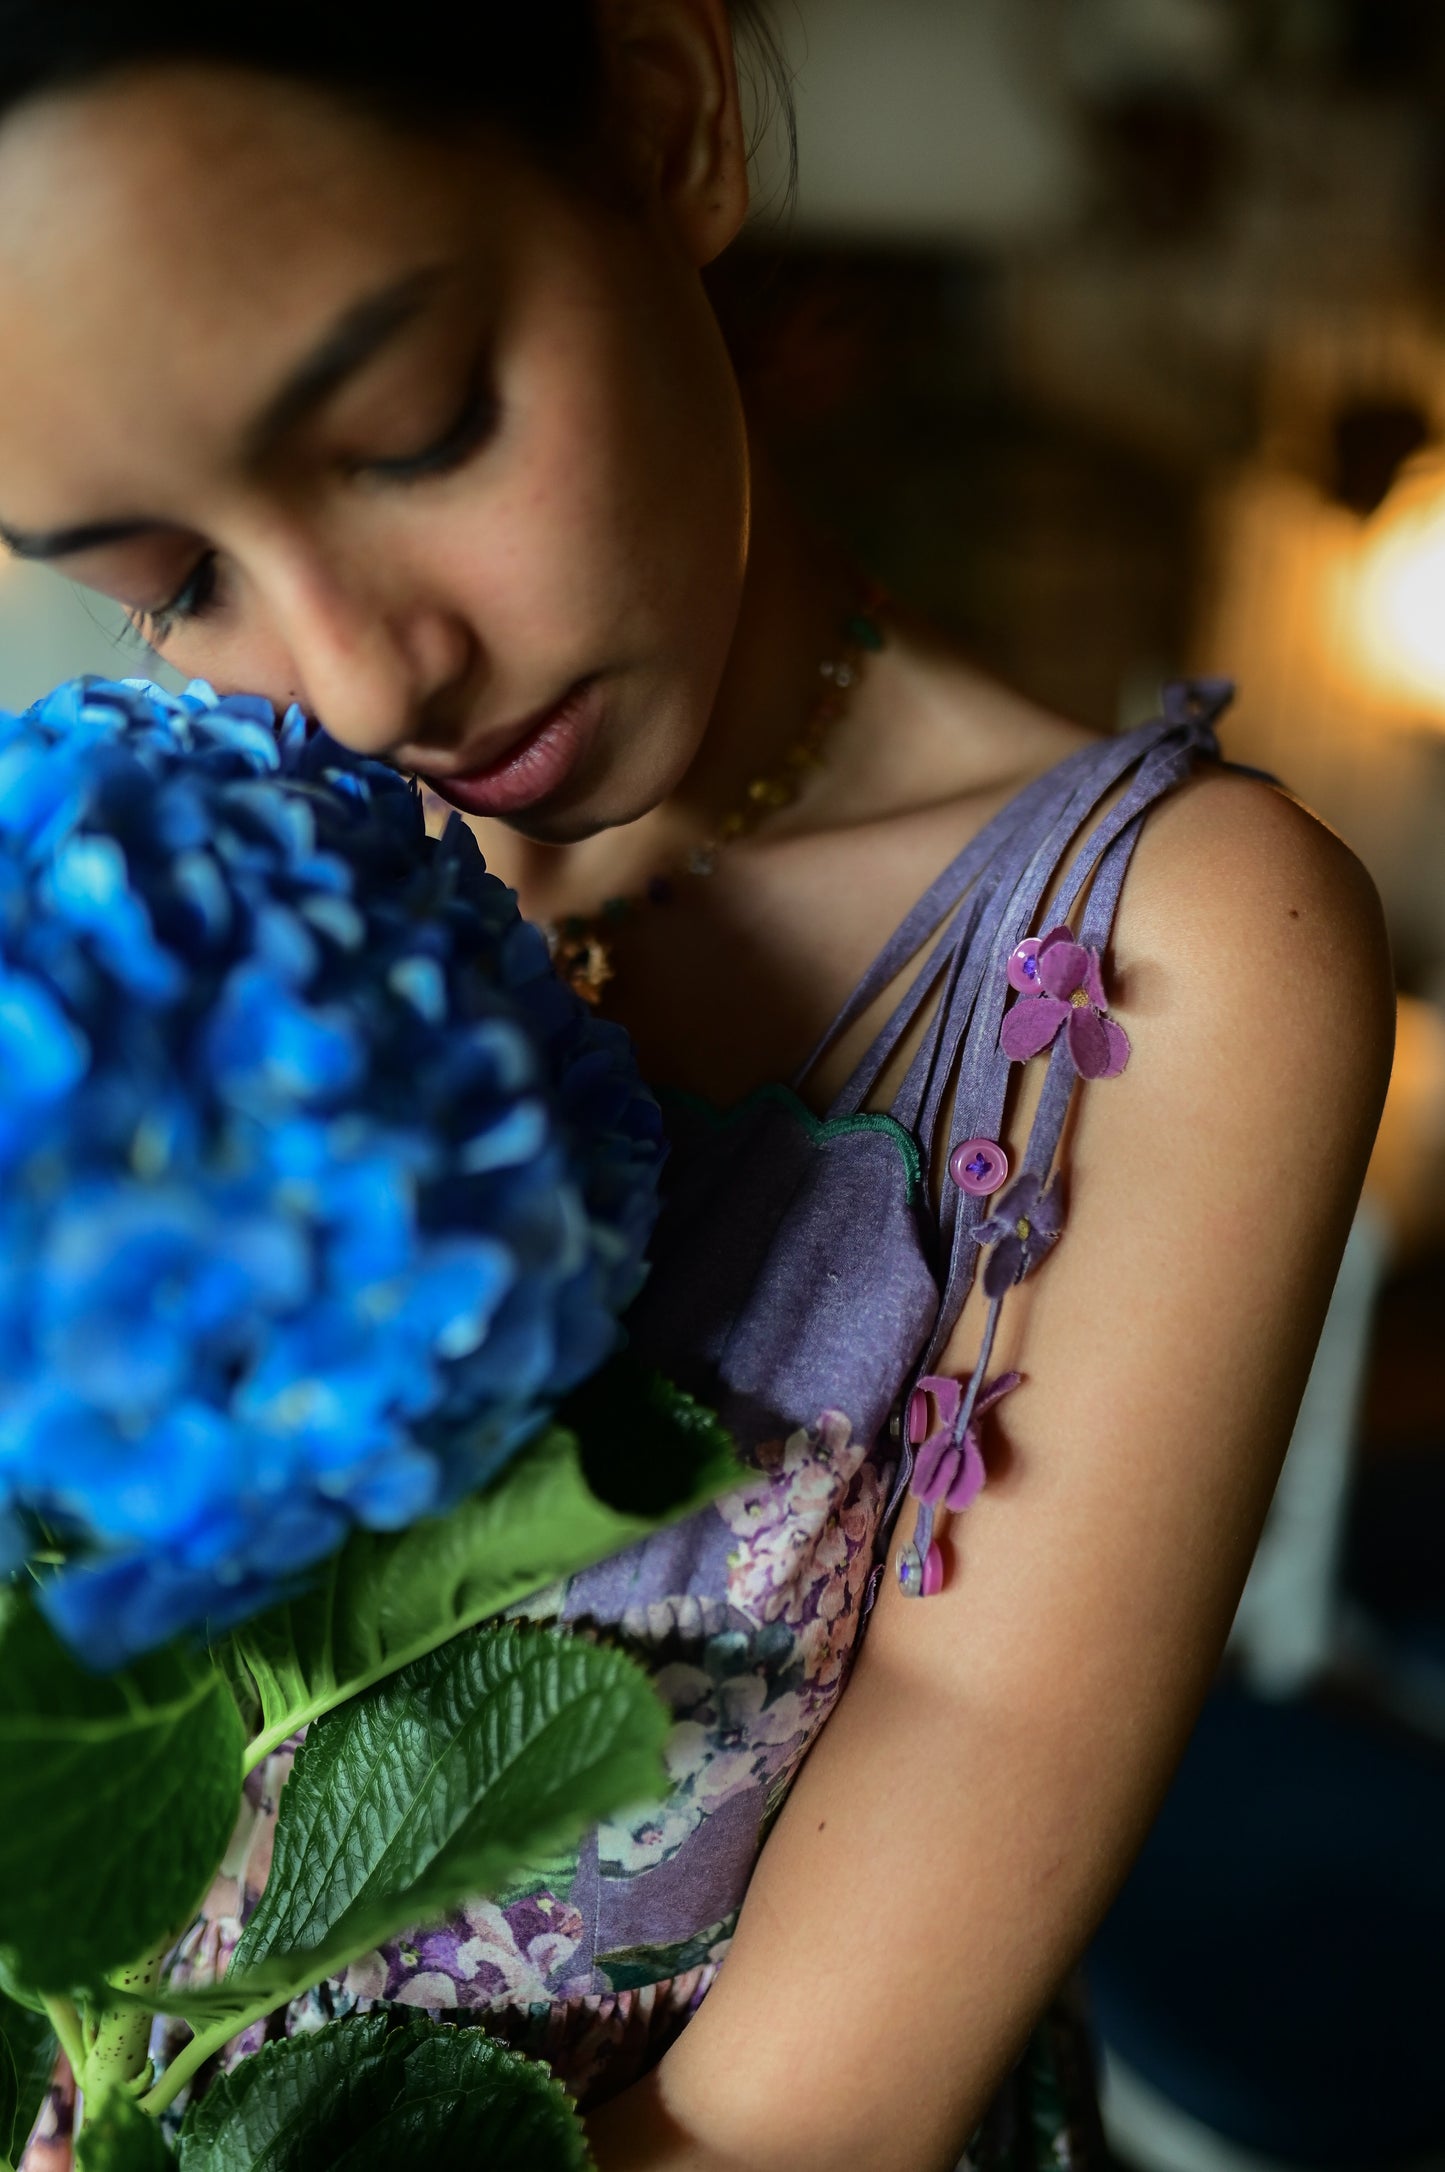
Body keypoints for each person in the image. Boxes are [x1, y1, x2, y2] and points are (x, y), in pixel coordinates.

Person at [0, 5, 1393, 2167]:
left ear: (667, 121)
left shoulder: (1173, 952)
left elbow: (799, 2119)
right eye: (169, 582)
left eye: (413, 429)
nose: (366, 676)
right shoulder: (122, 897)